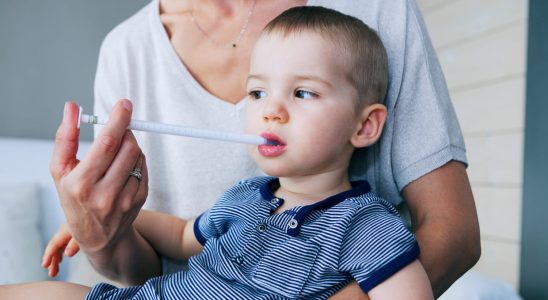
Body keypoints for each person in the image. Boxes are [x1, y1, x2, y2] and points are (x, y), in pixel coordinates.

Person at [48, 0, 479, 298]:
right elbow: (180, 236)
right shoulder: (246, 197)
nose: (270, 112)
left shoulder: (365, 226)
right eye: (255, 94)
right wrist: (104, 227)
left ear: (365, 125)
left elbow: (451, 236)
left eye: (304, 93)